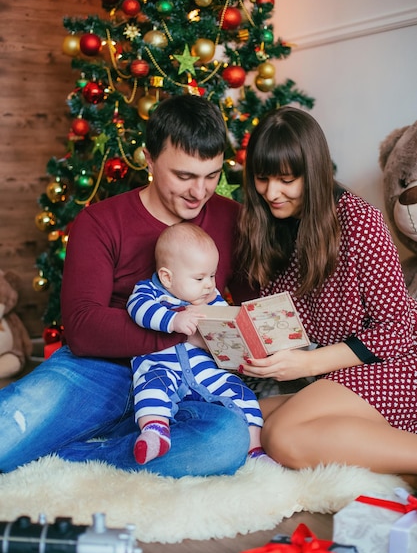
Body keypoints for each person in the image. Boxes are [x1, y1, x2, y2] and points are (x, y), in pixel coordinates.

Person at [0, 95, 256, 477]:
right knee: (6, 436)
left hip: (184, 379)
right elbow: (83, 328)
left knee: (225, 441)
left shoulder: (231, 218)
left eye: (212, 175)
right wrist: (180, 332)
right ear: (149, 160)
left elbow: (251, 308)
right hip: (98, 370)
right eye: (184, 176)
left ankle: (79, 455)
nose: (199, 192)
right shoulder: (100, 222)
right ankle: (97, 442)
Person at [237, 105, 417, 481]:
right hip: (338, 374)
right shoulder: (274, 226)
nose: (272, 192)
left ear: (313, 172)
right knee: (244, 416)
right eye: (263, 178)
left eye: (287, 179)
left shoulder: (358, 221)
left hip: (397, 366)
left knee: (282, 435)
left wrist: (307, 365)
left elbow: (398, 330)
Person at [126, 222, 267, 465]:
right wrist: (174, 320)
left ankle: (254, 449)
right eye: (200, 278)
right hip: (163, 368)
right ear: (167, 277)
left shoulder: (211, 298)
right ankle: (154, 431)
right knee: (151, 386)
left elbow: (228, 323)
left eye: (212, 275)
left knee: (241, 391)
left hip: (205, 373)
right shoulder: (149, 291)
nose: (210, 285)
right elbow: (138, 309)